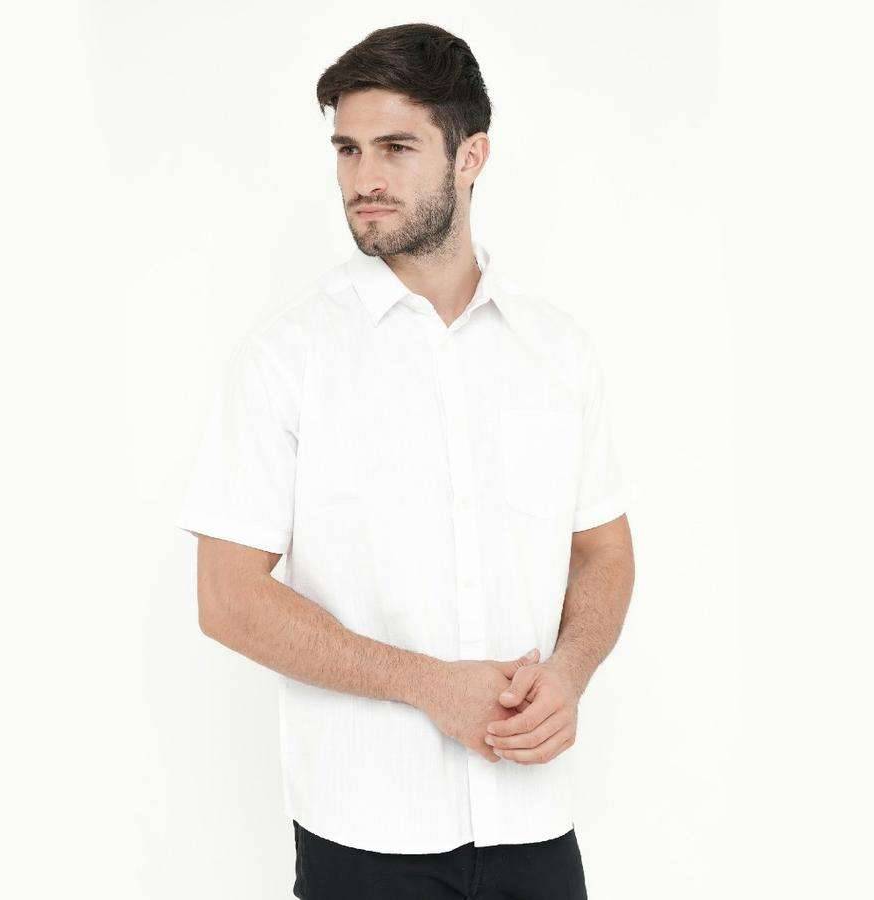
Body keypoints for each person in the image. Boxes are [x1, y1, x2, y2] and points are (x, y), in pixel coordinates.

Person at [177, 21, 635, 900]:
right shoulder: (288, 358)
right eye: (347, 150)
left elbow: (604, 550)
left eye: (396, 147)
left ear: (472, 157)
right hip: (365, 833)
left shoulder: (558, 353)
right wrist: (430, 686)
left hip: (536, 823)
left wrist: (570, 674)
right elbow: (226, 597)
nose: (364, 180)